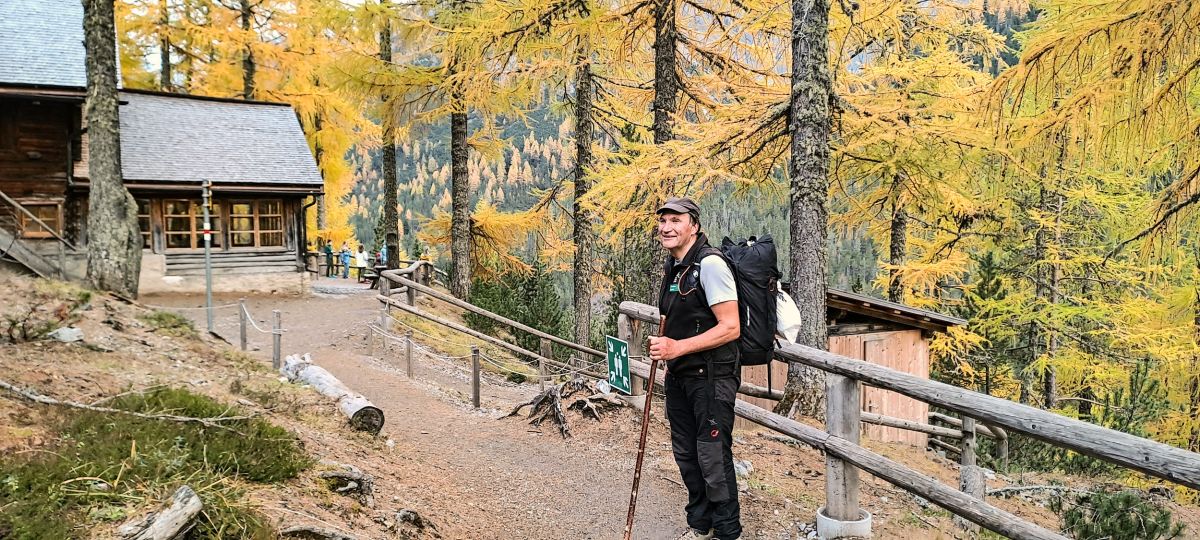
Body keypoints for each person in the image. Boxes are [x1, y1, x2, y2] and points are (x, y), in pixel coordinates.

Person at [648, 197, 742, 540]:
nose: (667, 227)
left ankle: (727, 532)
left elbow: (731, 327)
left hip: (712, 378)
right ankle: (701, 525)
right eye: (663, 221)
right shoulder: (675, 267)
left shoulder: (710, 265)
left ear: (694, 226)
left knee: (712, 457)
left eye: (676, 220)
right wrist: (670, 355)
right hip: (682, 376)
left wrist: (677, 348)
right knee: (687, 454)